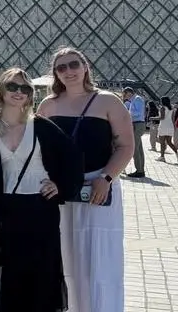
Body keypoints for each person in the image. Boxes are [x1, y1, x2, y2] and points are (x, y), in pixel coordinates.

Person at [0, 67, 83, 311]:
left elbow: (73, 159)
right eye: (12, 86)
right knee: (12, 278)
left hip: (41, 208)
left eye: (25, 88)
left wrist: (61, 186)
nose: (18, 92)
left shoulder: (42, 126)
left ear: (31, 95)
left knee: (44, 274)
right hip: (7, 212)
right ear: (1, 90)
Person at [37, 47, 133, 312]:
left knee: (101, 261)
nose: (69, 71)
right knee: (68, 260)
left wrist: (106, 177)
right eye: (62, 67)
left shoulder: (108, 101)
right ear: (55, 73)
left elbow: (126, 146)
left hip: (98, 188)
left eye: (74, 64)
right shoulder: (48, 105)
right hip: (61, 191)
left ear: (85, 66)